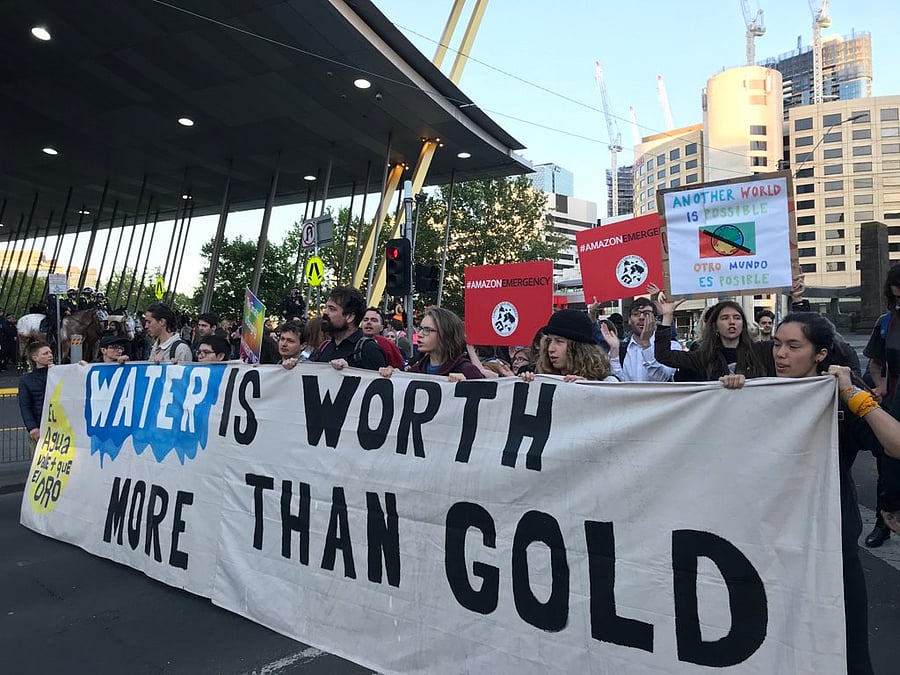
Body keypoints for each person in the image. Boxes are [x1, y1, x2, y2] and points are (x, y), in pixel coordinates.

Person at [722, 312, 899, 675]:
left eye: (793, 346)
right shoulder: (763, 392)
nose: (781, 354)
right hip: (770, 541)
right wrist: (725, 397)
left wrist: (852, 393)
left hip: (830, 541)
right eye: (776, 345)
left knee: (846, 646)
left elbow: (894, 444)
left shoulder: (841, 398)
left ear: (820, 354)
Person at [861, 264, 900, 547]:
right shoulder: (886, 322)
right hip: (894, 401)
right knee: (887, 464)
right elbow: (876, 362)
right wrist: (881, 384)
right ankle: (882, 521)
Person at [653, 292, 773, 381]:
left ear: (743, 324)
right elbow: (664, 355)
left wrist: (793, 298)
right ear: (715, 326)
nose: (732, 322)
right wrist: (667, 315)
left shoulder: (760, 352)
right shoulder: (703, 357)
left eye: (737, 318)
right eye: (725, 318)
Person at [380, 307, 483, 382]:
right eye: (421, 329)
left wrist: (467, 386)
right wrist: (391, 374)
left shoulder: (468, 371)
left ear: (446, 334)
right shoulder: (416, 371)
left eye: (427, 330)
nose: (419, 335)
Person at [522, 309, 617, 383]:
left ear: (579, 348)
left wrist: (589, 388)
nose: (551, 349)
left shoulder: (608, 383)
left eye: (559, 341)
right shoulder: (542, 378)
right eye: (549, 341)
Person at [602, 297, 681, 382]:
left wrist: (646, 345)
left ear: (655, 319)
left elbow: (661, 379)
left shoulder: (671, 346)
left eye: (647, 314)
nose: (641, 318)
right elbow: (617, 383)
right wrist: (614, 349)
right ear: (629, 320)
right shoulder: (621, 349)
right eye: (636, 314)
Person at [313, 286, 386, 370]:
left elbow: (378, 381)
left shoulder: (369, 350)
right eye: (326, 307)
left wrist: (349, 371)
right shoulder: (325, 347)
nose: (325, 312)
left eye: (332, 309)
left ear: (350, 316)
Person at [18, 340, 54, 449]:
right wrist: (32, 427)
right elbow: (25, 406)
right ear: (35, 358)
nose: (50, 355)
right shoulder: (26, 380)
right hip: (40, 427)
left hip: (60, 426)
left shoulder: (60, 373)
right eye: (45, 353)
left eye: (51, 352)